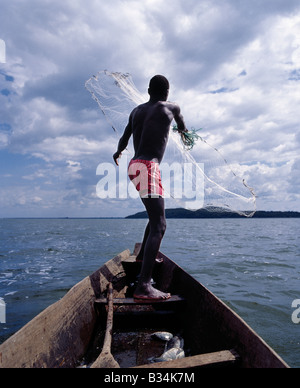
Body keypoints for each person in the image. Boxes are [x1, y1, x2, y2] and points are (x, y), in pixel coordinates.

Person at [113, 75, 187, 301]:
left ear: (147, 91)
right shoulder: (172, 107)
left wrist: (117, 153)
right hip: (148, 166)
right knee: (160, 224)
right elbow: (183, 128)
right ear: (167, 92)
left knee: (154, 217)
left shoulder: (136, 111)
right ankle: (143, 286)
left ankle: (141, 258)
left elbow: (125, 138)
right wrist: (184, 133)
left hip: (134, 165)